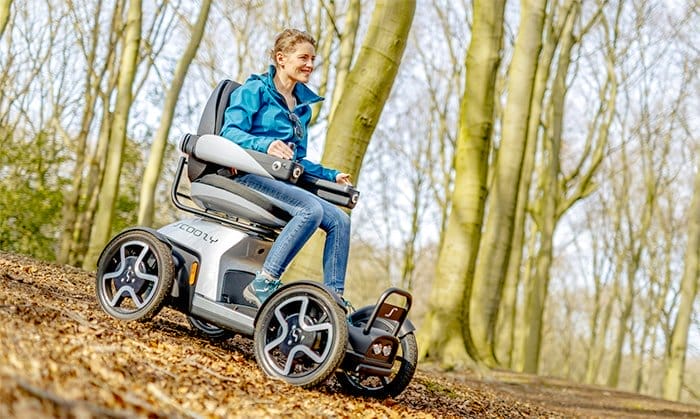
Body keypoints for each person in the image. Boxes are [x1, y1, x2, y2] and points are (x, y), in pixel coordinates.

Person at [219, 28, 353, 308]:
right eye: (303, 57)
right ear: (281, 58)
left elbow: (297, 161)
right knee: (310, 209)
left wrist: (331, 176)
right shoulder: (254, 90)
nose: (310, 65)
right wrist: (265, 145)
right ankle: (264, 282)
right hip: (247, 174)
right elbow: (229, 133)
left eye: (313, 59)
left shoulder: (301, 108)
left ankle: (334, 300)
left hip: (282, 180)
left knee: (340, 220)